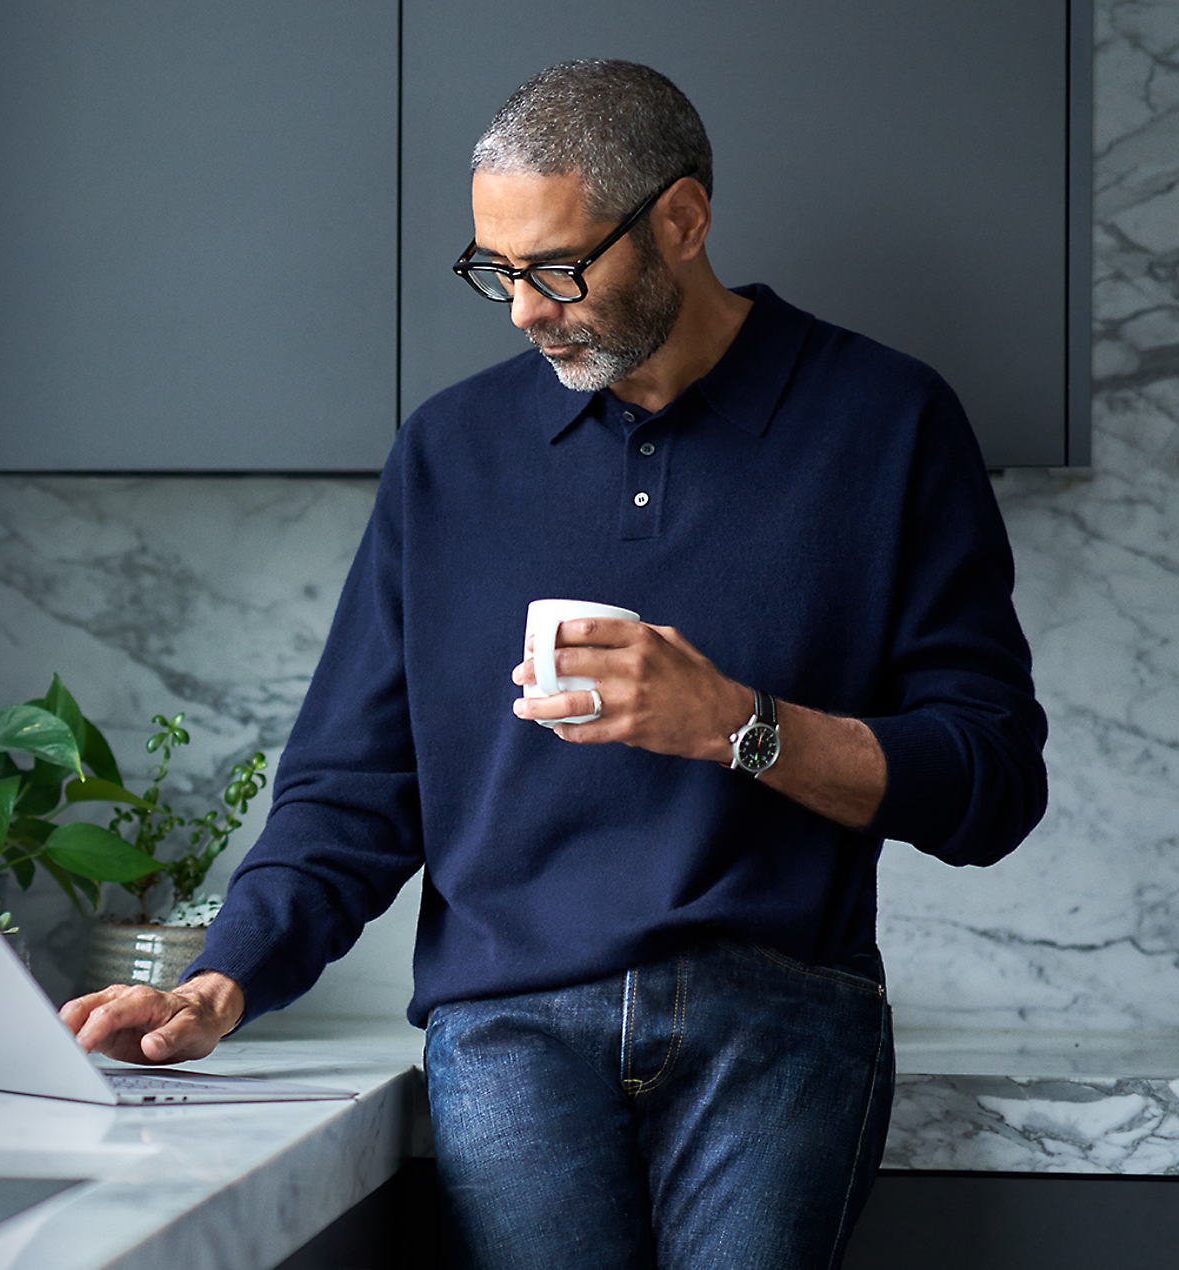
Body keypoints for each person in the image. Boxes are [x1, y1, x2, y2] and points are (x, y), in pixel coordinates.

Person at [55, 59, 1049, 1269]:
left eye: (558, 265)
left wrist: (738, 722)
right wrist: (221, 981)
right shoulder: (448, 455)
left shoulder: (885, 422)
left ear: (679, 221)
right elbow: (353, 790)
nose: (524, 308)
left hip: (782, 1009)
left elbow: (992, 781)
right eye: (496, 270)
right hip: (505, 1022)